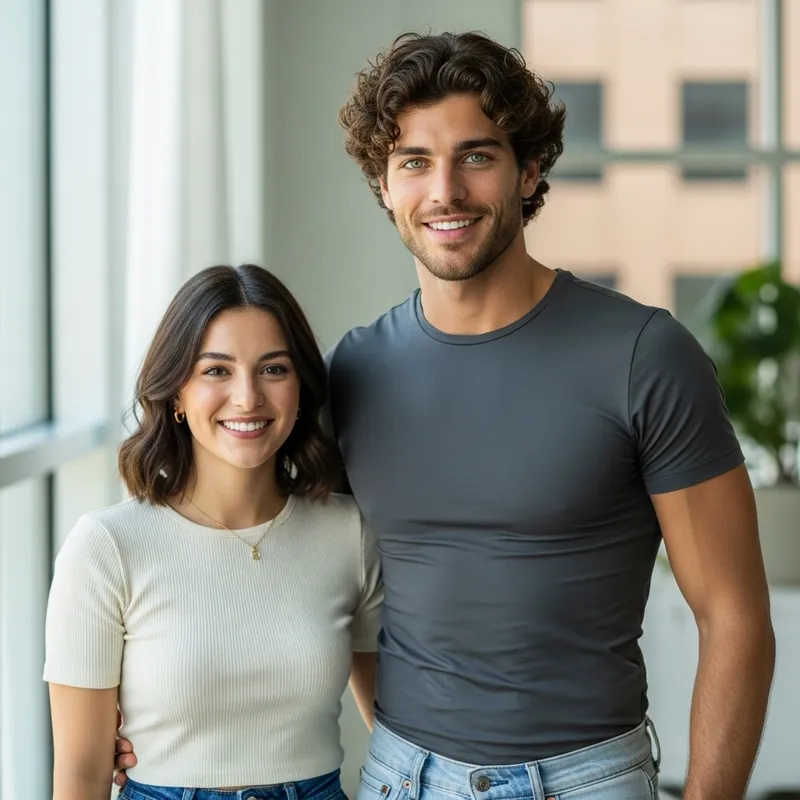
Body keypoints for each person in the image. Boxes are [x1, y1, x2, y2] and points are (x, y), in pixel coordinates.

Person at [116, 30, 775, 800]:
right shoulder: (354, 371)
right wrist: (152, 717)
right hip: (402, 777)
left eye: (477, 156)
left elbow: (735, 616)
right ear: (385, 187)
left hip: (588, 781)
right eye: (414, 163)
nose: (446, 192)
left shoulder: (645, 356)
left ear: (530, 171)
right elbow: (273, 556)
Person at [44, 265, 382, 800]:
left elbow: (396, 737)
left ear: (300, 390)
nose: (247, 398)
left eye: (273, 369)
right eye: (216, 371)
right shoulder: (106, 547)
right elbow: (81, 777)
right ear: (176, 393)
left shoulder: (350, 533)